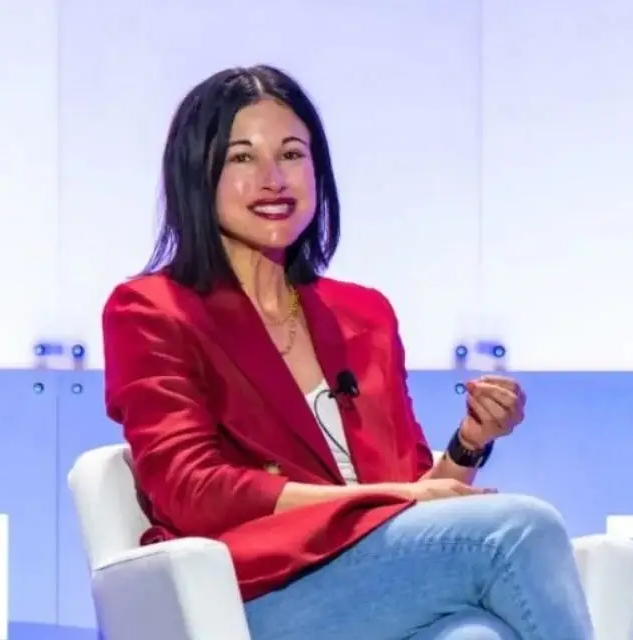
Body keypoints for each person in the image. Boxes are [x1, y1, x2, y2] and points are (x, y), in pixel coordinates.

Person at [101, 65, 593, 640]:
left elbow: (412, 492)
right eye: (242, 157)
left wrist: (468, 445)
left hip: (372, 582)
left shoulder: (363, 315)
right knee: (518, 529)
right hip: (253, 596)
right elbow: (194, 491)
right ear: (197, 173)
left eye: (291, 154)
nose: (272, 178)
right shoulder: (154, 309)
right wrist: (393, 496)